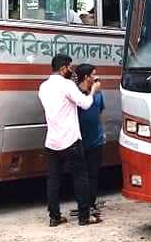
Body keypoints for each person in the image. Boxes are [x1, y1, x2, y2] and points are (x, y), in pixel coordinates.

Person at [37, 54, 102, 227]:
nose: (72, 70)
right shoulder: (67, 85)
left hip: (52, 140)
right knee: (81, 178)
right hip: (70, 139)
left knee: (53, 179)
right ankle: (84, 217)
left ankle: (54, 217)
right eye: (70, 67)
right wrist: (94, 90)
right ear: (63, 68)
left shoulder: (43, 87)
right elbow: (85, 104)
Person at [72, 63, 104, 219]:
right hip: (79, 140)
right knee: (80, 175)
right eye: (94, 75)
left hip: (96, 139)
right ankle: (82, 204)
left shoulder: (98, 94)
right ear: (86, 77)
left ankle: (91, 203)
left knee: (94, 174)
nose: (96, 78)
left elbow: (99, 112)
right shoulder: (74, 93)